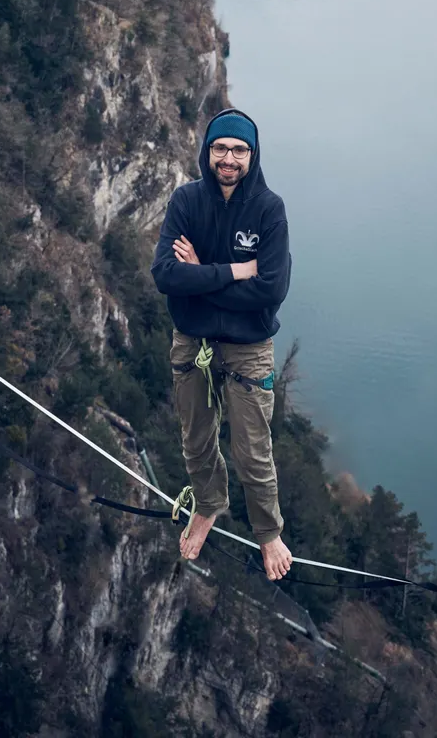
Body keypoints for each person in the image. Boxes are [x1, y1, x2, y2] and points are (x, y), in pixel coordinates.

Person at [150, 108, 294, 581]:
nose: (228, 158)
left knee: (252, 449)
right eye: (220, 149)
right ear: (206, 152)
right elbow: (166, 275)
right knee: (196, 438)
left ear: (252, 156)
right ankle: (209, 504)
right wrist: (235, 270)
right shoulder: (186, 201)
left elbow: (272, 288)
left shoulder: (269, 210)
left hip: (248, 344)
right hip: (193, 337)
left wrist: (201, 273)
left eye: (238, 150)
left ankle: (269, 531)